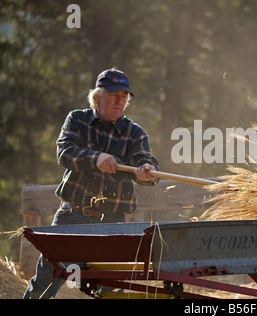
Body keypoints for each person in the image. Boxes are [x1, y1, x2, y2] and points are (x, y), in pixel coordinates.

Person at [23, 68, 159, 299]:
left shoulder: (135, 133)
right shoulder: (77, 119)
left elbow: (145, 162)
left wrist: (148, 171)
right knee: (46, 281)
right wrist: (95, 159)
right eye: (114, 95)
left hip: (113, 223)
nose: (120, 101)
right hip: (71, 216)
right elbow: (65, 153)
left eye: (124, 96)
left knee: (112, 288)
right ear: (97, 97)